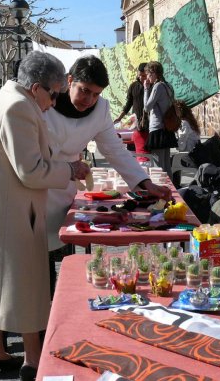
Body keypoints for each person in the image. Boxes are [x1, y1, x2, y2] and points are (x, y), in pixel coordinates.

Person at [0, 51, 89, 380]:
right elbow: (30, 171)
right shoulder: (18, 107)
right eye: (54, 93)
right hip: (10, 210)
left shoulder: (0, 99)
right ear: (35, 87)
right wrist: (70, 169)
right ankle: (33, 361)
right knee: (27, 284)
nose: (55, 100)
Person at [44, 56, 172, 293]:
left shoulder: (100, 108)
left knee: (59, 252)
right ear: (69, 81)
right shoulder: (46, 103)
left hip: (64, 189)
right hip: (40, 183)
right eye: (84, 91)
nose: (90, 100)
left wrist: (145, 182)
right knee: (38, 260)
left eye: (96, 94)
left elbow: (114, 149)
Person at [143, 61, 178, 173]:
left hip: (157, 129)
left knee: (158, 166)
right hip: (167, 128)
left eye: (148, 74)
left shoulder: (157, 86)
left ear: (153, 73)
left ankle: (162, 189)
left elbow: (147, 107)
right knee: (166, 165)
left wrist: (146, 89)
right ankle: (170, 189)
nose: (147, 77)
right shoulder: (169, 86)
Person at [114, 62, 150, 158]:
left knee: (146, 149)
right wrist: (119, 118)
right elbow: (128, 104)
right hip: (135, 122)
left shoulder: (152, 86)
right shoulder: (133, 86)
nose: (142, 78)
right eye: (140, 75)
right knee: (133, 147)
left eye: (144, 76)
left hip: (149, 123)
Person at [172, 100, 201, 186]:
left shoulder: (183, 123)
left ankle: (175, 185)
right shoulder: (190, 121)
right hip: (195, 153)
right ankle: (176, 184)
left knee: (170, 160)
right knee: (173, 159)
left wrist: (174, 141)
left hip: (190, 156)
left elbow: (181, 146)